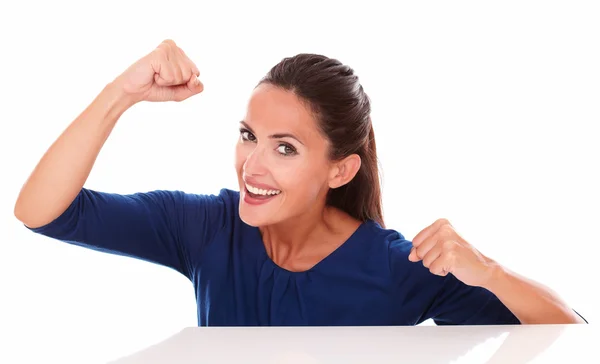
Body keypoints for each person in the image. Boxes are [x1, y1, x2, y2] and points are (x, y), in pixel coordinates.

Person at [14, 39, 585, 326]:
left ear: (341, 170)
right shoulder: (206, 228)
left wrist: (489, 272)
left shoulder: (390, 266)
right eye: (248, 135)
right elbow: (42, 211)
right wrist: (123, 94)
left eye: (284, 147)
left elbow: (570, 332)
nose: (251, 166)